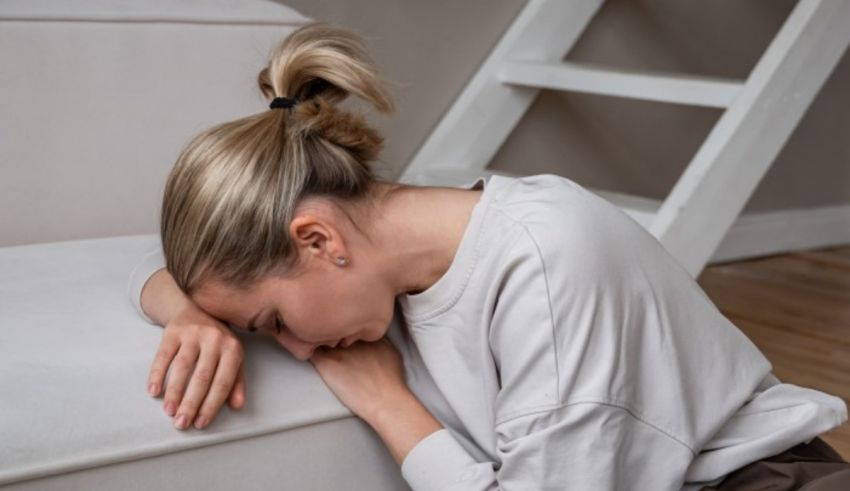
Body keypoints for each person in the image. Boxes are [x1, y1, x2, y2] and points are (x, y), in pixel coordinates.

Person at [128, 21, 850, 490]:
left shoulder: (546, 260)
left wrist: (386, 401)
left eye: (273, 319)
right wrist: (192, 317)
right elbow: (158, 276)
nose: (297, 347)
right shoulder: (390, 269)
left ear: (318, 240)